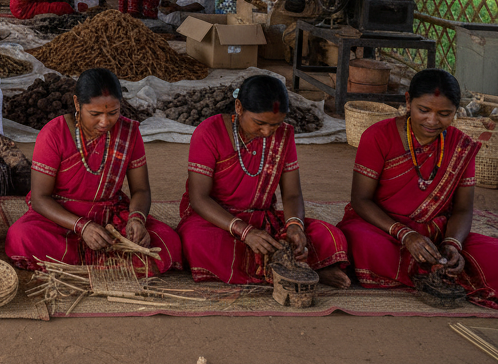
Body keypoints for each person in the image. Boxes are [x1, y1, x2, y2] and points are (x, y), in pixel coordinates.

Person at [340, 69, 497, 308]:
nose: (432, 121)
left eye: (444, 114)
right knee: (361, 242)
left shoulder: (461, 146)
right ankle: (438, 272)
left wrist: (452, 244)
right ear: (407, 101)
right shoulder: (378, 135)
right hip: (383, 228)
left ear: (456, 111)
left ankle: (438, 265)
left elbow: (463, 209)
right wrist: (406, 234)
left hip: (436, 235)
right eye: (423, 110)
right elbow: (360, 200)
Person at [178, 75, 350, 287]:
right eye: (259, 123)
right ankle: (295, 269)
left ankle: (279, 267)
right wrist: (245, 232)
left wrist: (295, 225)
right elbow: (199, 198)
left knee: (330, 235)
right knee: (196, 242)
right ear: (239, 107)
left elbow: (292, 193)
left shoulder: (284, 135)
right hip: (216, 220)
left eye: (275, 125)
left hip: (263, 219)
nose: (268, 132)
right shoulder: (209, 132)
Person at [5, 69, 181, 275]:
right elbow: (39, 199)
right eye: (95, 114)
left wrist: (136, 218)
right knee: (21, 236)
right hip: (61, 220)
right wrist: (82, 226)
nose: (105, 122)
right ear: (77, 104)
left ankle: (85, 263)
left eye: (113, 112)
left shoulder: (129, 133)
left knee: (168, 241)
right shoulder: (54, 133)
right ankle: (110, 265)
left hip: (110, 221)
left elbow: (141, 189)